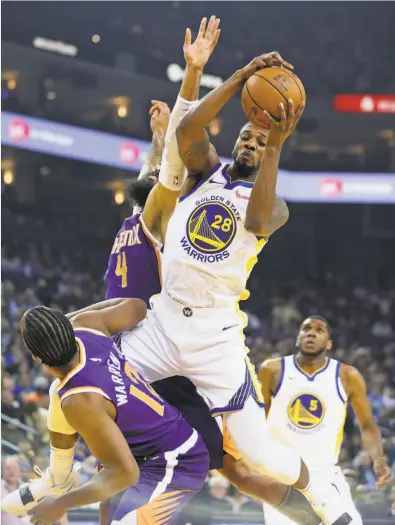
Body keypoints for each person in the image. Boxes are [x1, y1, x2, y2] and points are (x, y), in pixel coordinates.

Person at [119, 45, 354, 524]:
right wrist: (241, 75)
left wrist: (277, 145)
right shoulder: (204, 172)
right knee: (98, 382)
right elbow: (186, 131)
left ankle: (321, 491)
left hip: (215, 337)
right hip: (163, 321)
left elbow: (259, 217)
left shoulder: (275, 203)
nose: (250, 143)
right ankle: (101, 493)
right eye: (246, 136)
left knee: (259, 456)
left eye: (259, 141)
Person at [4, 299, 209, 525]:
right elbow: (138, 307)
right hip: (139, 450)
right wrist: (72, 317)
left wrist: (60, 504)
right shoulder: (87, 324)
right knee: (56, 390)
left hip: (176, 458)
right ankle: (58, 476)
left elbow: (125, 473)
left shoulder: (79, 399)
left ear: (37, 358)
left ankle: (59, 482)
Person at [259, 315, 393, 525]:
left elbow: (366, 423)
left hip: (325, 475)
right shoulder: (272, 370)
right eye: (306, 329)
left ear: (329, 343)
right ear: (298, 338)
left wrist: (378, 459)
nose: (311, 332)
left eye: (319, 330)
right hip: (282, 478)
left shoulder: (347, 376)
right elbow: (256, 421)